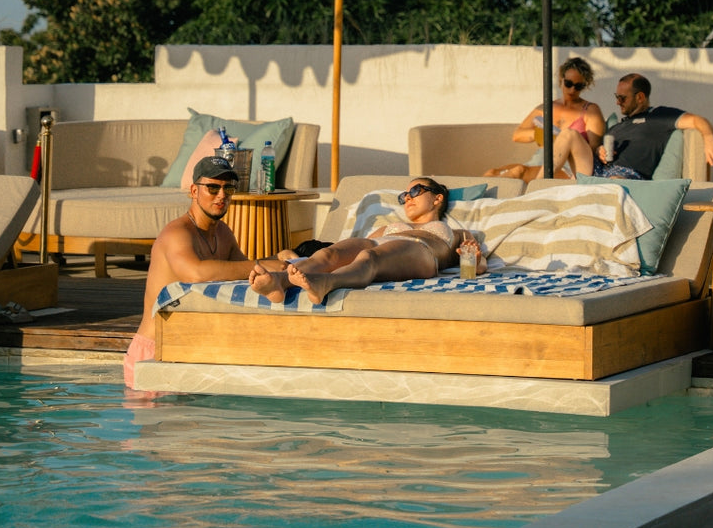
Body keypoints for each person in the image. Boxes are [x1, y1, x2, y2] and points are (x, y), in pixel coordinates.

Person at [123, 155, 292, 387]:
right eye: (212, 188)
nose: (221, 195)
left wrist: (280, 260)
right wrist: (261, 264)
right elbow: (196, 273)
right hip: (155, 354)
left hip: (191, 355)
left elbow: (245, 276)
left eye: (228, 188)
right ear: (194, 191)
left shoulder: (223, 233)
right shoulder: (176, 234)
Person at [249, 177, 486, 306]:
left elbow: (477, 266)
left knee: (369, 258)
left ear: (437, 198)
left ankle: (326, 283)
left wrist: (475, 261)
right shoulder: (387, 227)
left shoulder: (457, 232)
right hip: (385, 241)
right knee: (329, 255)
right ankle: (278, 283)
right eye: (403, 197)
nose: (407, 199)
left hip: (421, 251)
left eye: (415, 192)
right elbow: (346, 253)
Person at [559, 72, 713, 180]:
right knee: (569, 134)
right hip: (596, 169)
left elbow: (697, 120)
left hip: (625, 175)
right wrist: (599, 151)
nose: (617, 102)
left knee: (614, 182)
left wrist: (708, 138)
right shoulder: (619, 125)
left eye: (622, 98)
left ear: (640, 97)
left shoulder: (659, 116)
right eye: (617, 97)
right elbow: (597, 151)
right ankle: (540, 183)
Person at [484, 56, 606, 182]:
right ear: (561, 79)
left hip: (566, 166)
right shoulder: (546, 108)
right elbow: (517, 135)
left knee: (518, 171)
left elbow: (593, 151)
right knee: (492, 172)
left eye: (578, 86)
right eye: (568, 84)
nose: (572, 90)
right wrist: (541, 135)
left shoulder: (590, 111)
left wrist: (563, 142)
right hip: (538, 160)